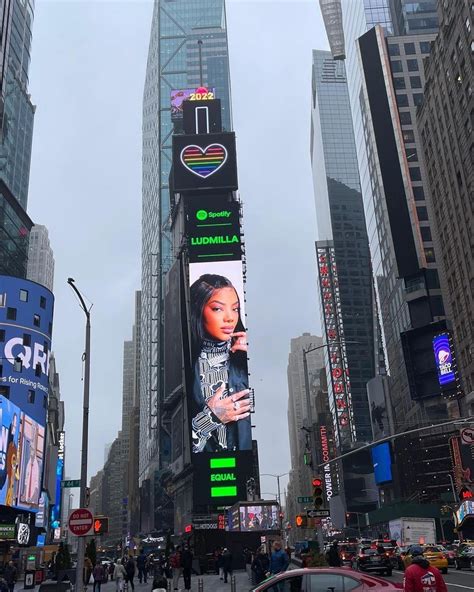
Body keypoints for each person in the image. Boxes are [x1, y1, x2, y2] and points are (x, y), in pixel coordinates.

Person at [189, 274, 252, 453]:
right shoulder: (185, 367)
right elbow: (177, 449)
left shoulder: (244, 359)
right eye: (218, 309)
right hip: (203, 472)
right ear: (198, 310)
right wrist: (210, 419)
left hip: (246, 467)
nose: (230, 318)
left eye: (235, 309)